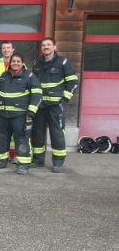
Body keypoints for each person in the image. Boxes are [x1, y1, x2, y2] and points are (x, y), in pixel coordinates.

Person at [0, 53, 42, 174]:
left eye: (18, 61)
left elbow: (37, 94)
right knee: (1, 138)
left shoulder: (30, 77)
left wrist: (31, 111)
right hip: (2, 114)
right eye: (13, 61)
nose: (15, 63)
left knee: (21, 139)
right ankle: (0, 161)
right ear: (10, 63)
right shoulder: (3, 76)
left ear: (22, 63)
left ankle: (23, 164)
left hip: (20, 116)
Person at [31, 38, 79, 172]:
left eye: (48, 45)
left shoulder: (63, 62)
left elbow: (73, 81)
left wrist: (64, 98)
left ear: (54, 47)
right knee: (37, 133)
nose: (46, 47)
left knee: (56, 133)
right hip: (40, 105)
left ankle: (57, 162)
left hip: (55, 106)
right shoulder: (37, 63)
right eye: (44, 45)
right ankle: (38, 160)